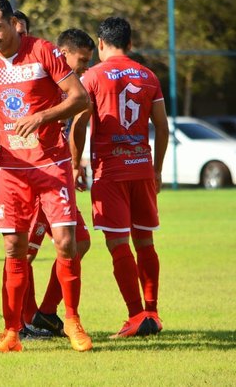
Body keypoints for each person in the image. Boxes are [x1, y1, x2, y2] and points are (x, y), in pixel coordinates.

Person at [0, 0, 93, 352]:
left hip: (51, 163)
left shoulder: (43, 51)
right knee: (13, 247)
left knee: (67, 242)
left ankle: (72, 320)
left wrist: (42, 116)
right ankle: (11, 334)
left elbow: (80, 98)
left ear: (13, 24)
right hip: (12, 169)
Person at [70, 17, 169, 338]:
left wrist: (75, 164)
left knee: (117, 244)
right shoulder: (148, 75)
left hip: (110, 172)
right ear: (130, 44)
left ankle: (135, 315)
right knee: (145, 242)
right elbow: (162, 127)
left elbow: (79, 124)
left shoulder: (93, 76)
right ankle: (152, 312)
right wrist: (157, 169)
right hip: (141, 168)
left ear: (100, 44)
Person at [23, 28, 96, 339]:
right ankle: (22, 322)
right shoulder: (35, 80)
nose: (85, 68)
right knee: (22, 251)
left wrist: (76, 162)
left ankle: (46, 312)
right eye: (81, 61)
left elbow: (80, 119)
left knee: (79, 241)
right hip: (28, 172)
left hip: (56, 174)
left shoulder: (70, 87)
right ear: (62, 55)